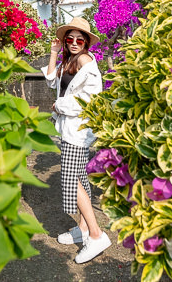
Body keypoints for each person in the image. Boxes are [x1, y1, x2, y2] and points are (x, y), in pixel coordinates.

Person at [43, 17, 111, 264]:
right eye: (69, 38)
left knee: (72, 179)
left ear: (86, 42)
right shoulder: (69, 60)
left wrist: (59, 105)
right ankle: (83, 230)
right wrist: (53, 53)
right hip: (70, 128)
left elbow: (90, 99)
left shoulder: (86, 61)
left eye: (79, 39)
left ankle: (96, 234)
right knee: (80, 177)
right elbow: (51, 80)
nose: (73, 42)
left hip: (78, 129)